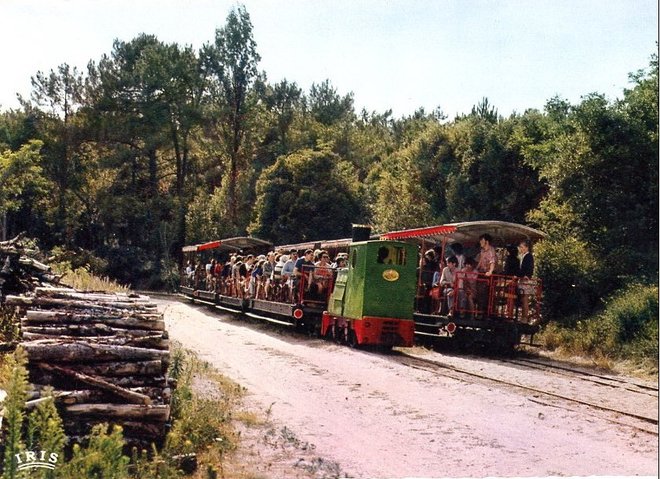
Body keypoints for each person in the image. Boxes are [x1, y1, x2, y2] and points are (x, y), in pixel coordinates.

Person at [475, 234, 497, 316]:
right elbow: (480, 262)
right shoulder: (482, 251)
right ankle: (479, 312)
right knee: (479, 292)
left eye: (482, 241)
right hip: (481, 273)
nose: (480, 242)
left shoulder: (491, 250)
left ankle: (487, 313)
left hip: (488, 275)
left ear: (486, 242)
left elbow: (492, 262)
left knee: (487, 293)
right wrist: (475, 270)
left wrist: (490, 271)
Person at [517, 239, 535, 323]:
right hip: (523, 279)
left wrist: (526, 275)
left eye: (522, 247)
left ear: (526, 248)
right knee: (523, 298)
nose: (520, 249)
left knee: (525, 299)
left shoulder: (528, 256)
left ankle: (525, 317)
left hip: (526, 280)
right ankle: (523, 317)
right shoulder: (523, 256)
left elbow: (529, 268)